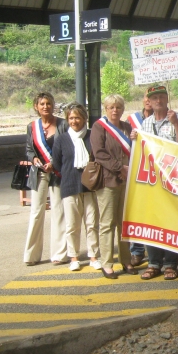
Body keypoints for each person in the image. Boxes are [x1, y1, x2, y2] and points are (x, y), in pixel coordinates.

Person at [134, 85, 178, 280]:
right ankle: (153, 262)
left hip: (173, 179)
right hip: (152, 181)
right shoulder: (146, 123)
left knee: (172, 221)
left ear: (167, 99)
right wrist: (135, 138)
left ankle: (170, 263)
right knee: (153, 220)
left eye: (162, 97)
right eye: (155, 98)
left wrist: (176, 124)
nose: (158, 101)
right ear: (148, 101)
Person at [92, 94, 137, 279]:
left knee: (123, 222)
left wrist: (136, 138)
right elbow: (99, 154)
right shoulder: (98, 127)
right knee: (107, 223)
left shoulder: (127, 127)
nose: (114, 110)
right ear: (106, 109)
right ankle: (107, 263)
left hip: (126, 182)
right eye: (111, 107)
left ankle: (126, 260)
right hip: (108, 181)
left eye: (118, 107)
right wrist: (120, 168)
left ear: (122, 109)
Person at [51, 103, 100, 272]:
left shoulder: (93, 136)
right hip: (70, 186)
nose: (74, 121)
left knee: (92, 223)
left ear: (85, 119)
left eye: (77, 117)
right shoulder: (62, 139)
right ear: (67, 120)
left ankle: (93, 257)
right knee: (72, 225)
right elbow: (57, 163)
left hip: (91, 187)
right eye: (71, 118)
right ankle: (74, 257)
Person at [23, 92, 69, 266]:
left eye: (48, 103)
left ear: (53, 105)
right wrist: (33, 159)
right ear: (36, 106)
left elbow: (67, 148)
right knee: (36, 212)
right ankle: (31, 255)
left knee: (58, 211)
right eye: (42, 103)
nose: (45, 106)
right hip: (39, 173)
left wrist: (53, 163)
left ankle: (59, 254)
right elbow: (29, 149)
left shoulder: (62, 124)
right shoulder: (31, 127)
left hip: (57, 173)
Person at [127, 92, 152, 266]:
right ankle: (137, 251)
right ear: (143, 100)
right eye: (147, 97)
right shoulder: (131, 120)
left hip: (159, 173)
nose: (150, 101)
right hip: (138, 170)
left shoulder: (169, 117)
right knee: (137, 212)